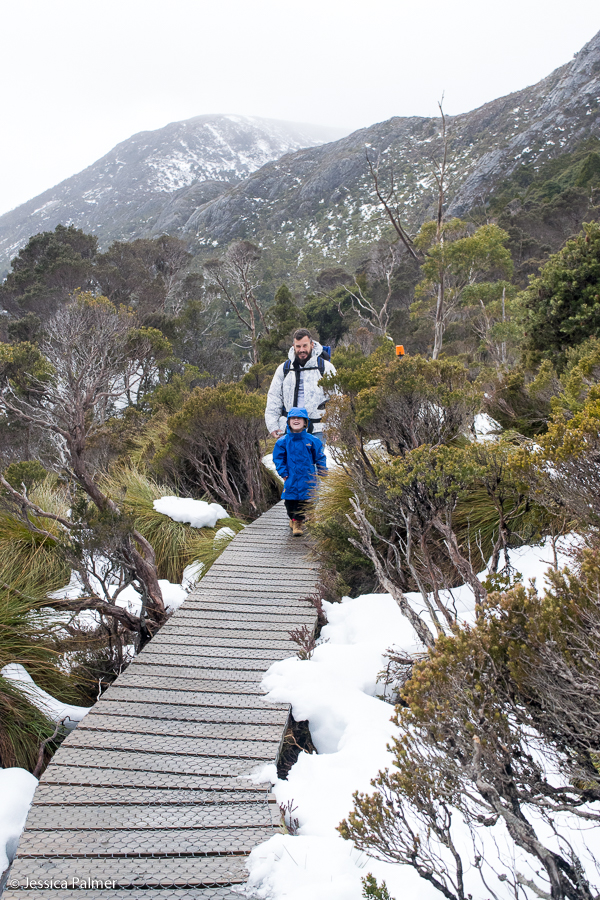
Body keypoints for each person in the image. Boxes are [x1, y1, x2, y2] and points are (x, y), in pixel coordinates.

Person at [265, 328, 336, 442]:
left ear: (312, 345)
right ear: (293, 346)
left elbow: (336, 397)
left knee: (314, 459)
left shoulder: (326, 368)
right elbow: (274, 397)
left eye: (305, 346)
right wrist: (272, 425)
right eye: (298, 346)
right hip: (289, 428)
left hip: (318, 428)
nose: (301, 350)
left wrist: (335, 426)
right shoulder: (284, 368)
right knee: (291, 460)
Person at [272, 407, 328, 536]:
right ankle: (293, 519)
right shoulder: (283, 441)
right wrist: (283, 472)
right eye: (293, 418)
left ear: (305, 422)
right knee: (290, 501)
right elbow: (278, 458)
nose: (296, 420)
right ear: (288, 422)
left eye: (299, 418)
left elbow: (320, 457)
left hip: (307, 476)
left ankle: (298, 522)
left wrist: (322, 470)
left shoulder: (312, 440)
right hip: (290, 476)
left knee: (306, 499)